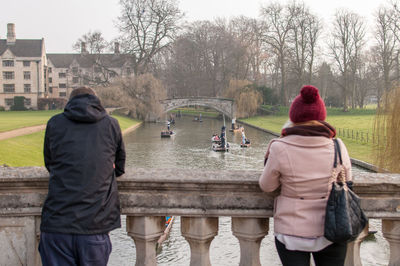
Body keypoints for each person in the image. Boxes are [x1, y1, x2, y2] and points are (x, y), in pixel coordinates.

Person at [259, 85, 352, 266]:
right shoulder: (338, 147)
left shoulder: (279, 147)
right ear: (322, 117)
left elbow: (266, 186)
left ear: (293, 117)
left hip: (291, 233)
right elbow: (347, 182)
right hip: (332, 229)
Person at [39, 86, 126, 266]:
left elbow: (50, 163)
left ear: (70, 102)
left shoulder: (54, 123)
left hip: (57, 224)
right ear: (96, 102)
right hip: (95, 226)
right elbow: (119, 167)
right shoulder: (111, 124)